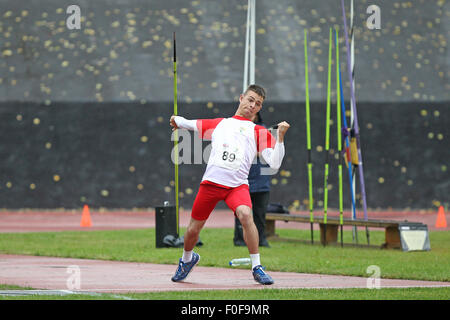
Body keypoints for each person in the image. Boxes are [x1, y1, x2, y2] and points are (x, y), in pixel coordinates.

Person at [169, 84, 290, 285]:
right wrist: (177, 121)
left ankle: (257, 266)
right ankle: (187, 260)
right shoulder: (220, 124)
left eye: (257, 104)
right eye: (250, 100)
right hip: (211, 184)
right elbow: (190, 123)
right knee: (192, 230)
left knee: (245, 214)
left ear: (260, 108)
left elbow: (275, 162)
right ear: (241, 98)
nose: (252, 105)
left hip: (237, 186)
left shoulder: (258, 132)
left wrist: (281, 138)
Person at [234, 111, 271, 248]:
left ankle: (261, 240)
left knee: (260, 214)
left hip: (261, 180)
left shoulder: (263, 129)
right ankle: (239, 240)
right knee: (241, 212)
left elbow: (267, 151)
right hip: (242, 178)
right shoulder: (238, 130)